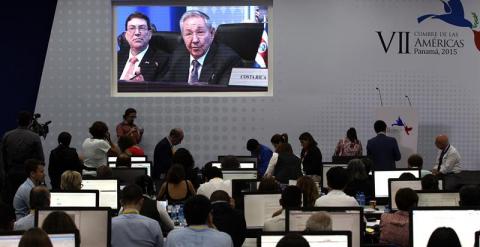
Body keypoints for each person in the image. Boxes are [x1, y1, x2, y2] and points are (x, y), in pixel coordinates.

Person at [162, 10, 242, 85]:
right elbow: (165, 87)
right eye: (188, 34)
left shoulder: (228, 60)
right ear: (182, 36)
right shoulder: (177, 55)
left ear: (212, 33)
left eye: (200, 32)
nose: (195, 40)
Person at [2, 111, 44, 203]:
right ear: (30, 122)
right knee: (28, 201)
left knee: (10, 201)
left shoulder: (7, 135)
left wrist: (5, 173)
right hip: (28, 175)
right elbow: (41, 159)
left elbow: (3, 157)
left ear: (17, 120)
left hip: (11, 174)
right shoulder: (35, 137)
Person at [164, 195, 233, 247]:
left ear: (185, 215)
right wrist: (213, 226)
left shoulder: (173, 237)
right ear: (209, 215)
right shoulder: (225, 239)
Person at [118, 12, 169, 82]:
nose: (137, 33)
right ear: (126, 35)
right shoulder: (116, 57)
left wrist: (143, 86)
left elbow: (163, 90)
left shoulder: (163, 60)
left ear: (149, 34)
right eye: (132, 28)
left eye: (142, 28)